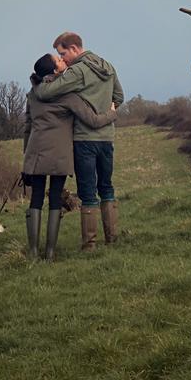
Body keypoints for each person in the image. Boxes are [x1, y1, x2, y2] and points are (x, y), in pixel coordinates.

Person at [31, 32, 123, 251]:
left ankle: (89, 245)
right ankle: (112, 239)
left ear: (73, 48)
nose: (63, 58)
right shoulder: (107, 66)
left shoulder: (77, 71)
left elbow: (46, 92)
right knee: (107, 187)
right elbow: (119, 97)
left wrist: (36, 83)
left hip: (84, 138)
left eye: (63, 53)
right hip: (107, 138)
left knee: (88, 191)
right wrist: (106, 112)